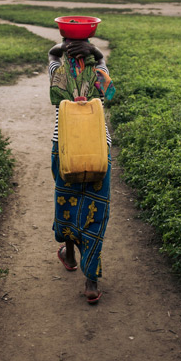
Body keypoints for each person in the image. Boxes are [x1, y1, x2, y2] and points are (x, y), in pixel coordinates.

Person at [48, 36, 115, 304]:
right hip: (99, 147)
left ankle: (71, 255)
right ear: (88, 48)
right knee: (95, 209)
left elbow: (52, 56)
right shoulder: (100, 72)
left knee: (68, 203)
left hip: (63, 147)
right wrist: (95, 53)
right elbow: (109, 93)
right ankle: (91, 281)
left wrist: (62, 48)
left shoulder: (59, 71)